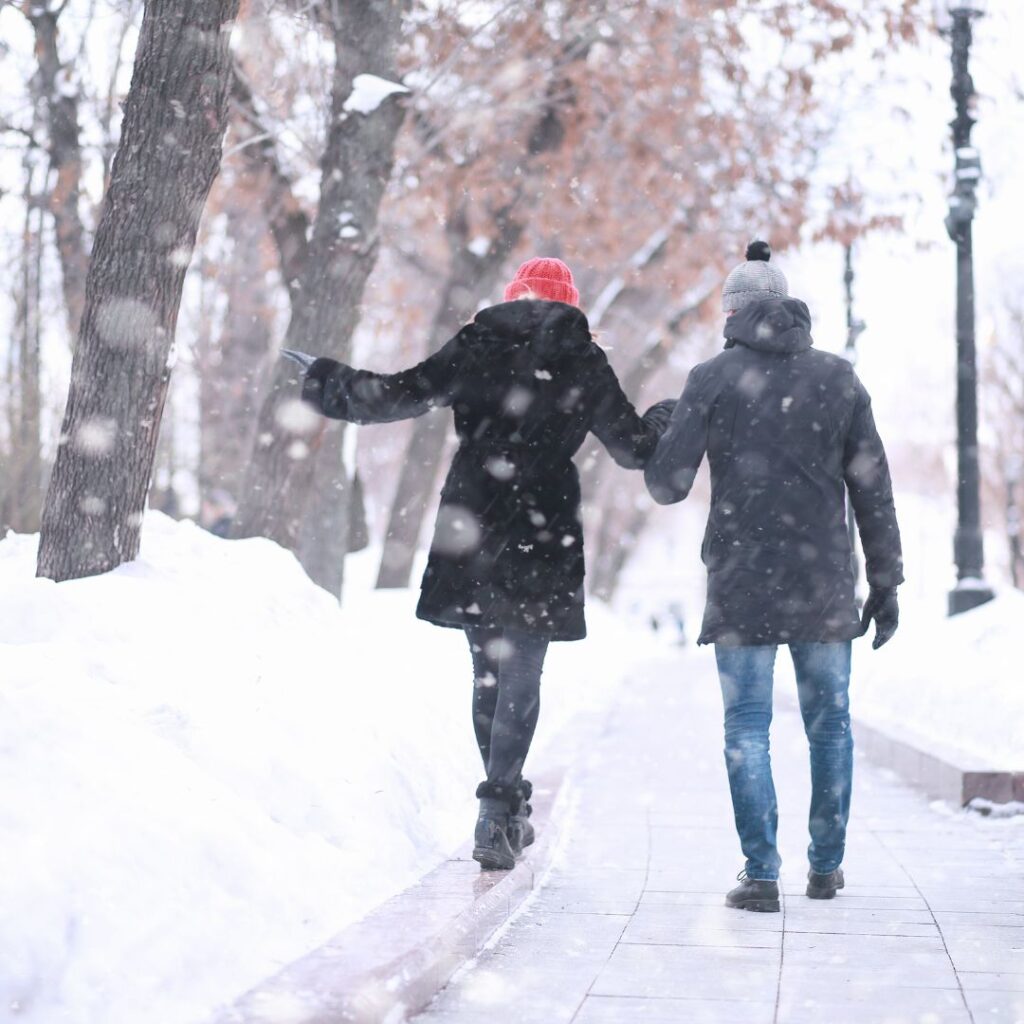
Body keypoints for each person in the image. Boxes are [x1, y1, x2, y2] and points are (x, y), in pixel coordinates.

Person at [296, 257, 674, 870]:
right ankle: (500, 809)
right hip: (542, 523)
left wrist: (325, 379)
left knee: (488, 672)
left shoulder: (478, 342)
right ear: (571, 303)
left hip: (474, 513)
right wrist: (666, 416)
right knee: (522, 668)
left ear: (514, 296)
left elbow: (396, 395)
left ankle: (502, 813)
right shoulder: (582, 357)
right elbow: (633, 450)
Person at [644, 241, 903, 912]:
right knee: (831, 724)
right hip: (823, 580)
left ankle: (761, 874)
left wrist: (666, 427)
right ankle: (826, 866)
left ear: (730, 313)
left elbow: (668, 485)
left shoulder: (711, 379)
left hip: (741, 581)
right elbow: (873, 489)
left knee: (747, 727)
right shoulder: (839, 379)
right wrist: (886, 580)